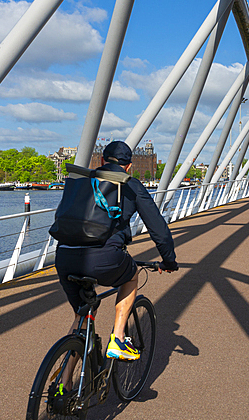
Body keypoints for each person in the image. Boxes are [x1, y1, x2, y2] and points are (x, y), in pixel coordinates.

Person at [53, 140, 178, 361]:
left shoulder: (83, 181)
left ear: (101, 161)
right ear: (129, 166)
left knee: (81, 316)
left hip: (64, 255)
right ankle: (118, 338)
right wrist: (168, 261)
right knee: (131, 276)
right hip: (104, 257)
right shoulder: (130, 184)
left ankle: (64, 385)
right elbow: (158, 228)